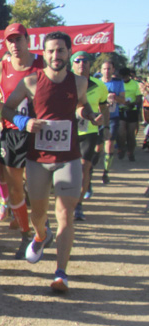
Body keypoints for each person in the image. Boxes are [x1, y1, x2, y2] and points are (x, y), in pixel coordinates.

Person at [0, 32, 89, 292]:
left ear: (69, 52)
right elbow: (7, 109)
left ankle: (61, 273)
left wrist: (90, 114)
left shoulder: (80, 82)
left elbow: (81, 106)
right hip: (38, 158)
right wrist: (26, 123)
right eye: (50, 51)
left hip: (68, 158)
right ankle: (40, 235)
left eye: (60, 51)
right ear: (44, 53)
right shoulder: (30, 82)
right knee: (39, 215)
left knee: (65, 214)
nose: (55, 56)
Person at [0, 23, 44, 258]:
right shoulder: (0, 68)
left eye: (18, 39)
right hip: (11, 132)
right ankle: (25, 234)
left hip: (40, 132)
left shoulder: (43, 64)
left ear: (27, 40)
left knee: (38, 187)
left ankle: (42, 229)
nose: (14, 45)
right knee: (15, 188)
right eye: (10, 40)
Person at [70, 52, 109, 221]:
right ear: (72, 64)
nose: (82, 64)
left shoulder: (99, 86)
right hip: (67, 131)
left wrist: (105, 125)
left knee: (85, 168)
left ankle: (78, 205)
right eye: (77, 61)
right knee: (68, 170)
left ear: (90, 65)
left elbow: (104, 107)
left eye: (85, 61)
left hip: (89, 132)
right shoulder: (64, 84)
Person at [98, 58, 125, 183]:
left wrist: (115, 97)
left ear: (113, 70)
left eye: (109, 69)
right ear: (100, 70)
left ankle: (105, 172)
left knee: (109, 143)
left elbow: (123, 101)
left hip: (113, 117)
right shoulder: (97, 83)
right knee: (98, 147)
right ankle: (91, 167)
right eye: (104, 69)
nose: (107, 71)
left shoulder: (118, 83)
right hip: (98, 118)